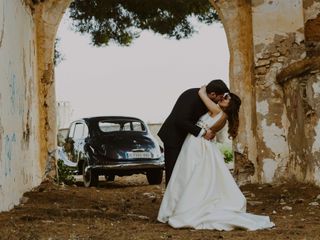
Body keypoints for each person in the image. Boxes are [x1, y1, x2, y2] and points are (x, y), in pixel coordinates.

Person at [157, 86, 275, 231]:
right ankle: (180, 205)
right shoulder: (223, 117)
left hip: (195, 144)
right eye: (223, 96)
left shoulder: (217, 111)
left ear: (229, 105)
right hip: (198, 142)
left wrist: (203, 89)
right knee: (188, 175)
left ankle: (179, 207)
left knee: (186, 174)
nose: (223, 98)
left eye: (226, 98)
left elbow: (202, 94)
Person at [158, 79, 229, 185]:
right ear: (213, 94)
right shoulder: (191, 96)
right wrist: (203, 132)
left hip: (189, 139)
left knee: (184, 171)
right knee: (173, 171)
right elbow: (181, 121)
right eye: (220, 96)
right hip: (174, 137)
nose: (221, 99)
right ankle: (171, 199)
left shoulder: (206, 100)